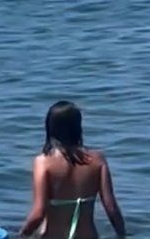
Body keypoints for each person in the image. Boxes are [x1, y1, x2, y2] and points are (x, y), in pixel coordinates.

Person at [20, 101, 126, 239]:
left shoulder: (43, 162)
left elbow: (38, 213)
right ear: (78, 126)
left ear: (50, 127)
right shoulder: (98, 160)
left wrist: (21, 235)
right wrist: (122, 235)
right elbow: (111, 208)